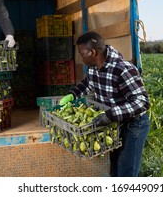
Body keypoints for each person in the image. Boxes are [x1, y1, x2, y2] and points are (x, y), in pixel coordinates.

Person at [60, 31, 151, 177]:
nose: (80, 58)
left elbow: (142, 102)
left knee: (126, 172)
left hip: (134, 125)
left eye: (82, 54)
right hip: (116, 124)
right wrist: (73, 94)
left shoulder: (123, 69)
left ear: (92, 52)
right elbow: (87, 83)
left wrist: (110, 115)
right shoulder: (93, 68)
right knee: (115, 170)